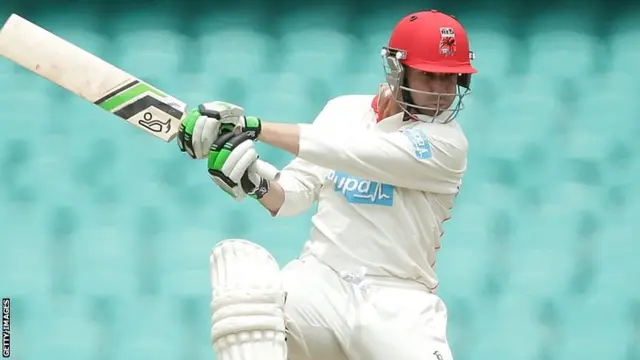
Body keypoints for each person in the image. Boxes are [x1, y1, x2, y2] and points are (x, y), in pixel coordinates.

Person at [177, 9, 477, 360]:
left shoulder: (447, 144)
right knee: (250, 298)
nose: (442, 91)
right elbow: (292, 196)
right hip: (321, 283)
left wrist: (250, 126)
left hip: (396, 302)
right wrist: (253, 177)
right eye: (429, 76)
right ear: (397, 68)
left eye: (450, 78)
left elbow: (349, 151)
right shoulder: (343, 111)